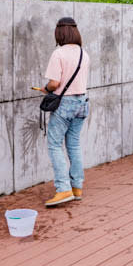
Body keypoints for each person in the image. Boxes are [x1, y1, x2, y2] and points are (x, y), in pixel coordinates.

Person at [41, 17, 90, 207]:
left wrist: (46, 89)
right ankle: (77, 187)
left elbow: (54, 83)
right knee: (74, 145)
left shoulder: (58, 53)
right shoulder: (83, 53)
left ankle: (63, 189)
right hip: (82, 102)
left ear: (60, 32)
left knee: (54, 145)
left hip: (65, 104)